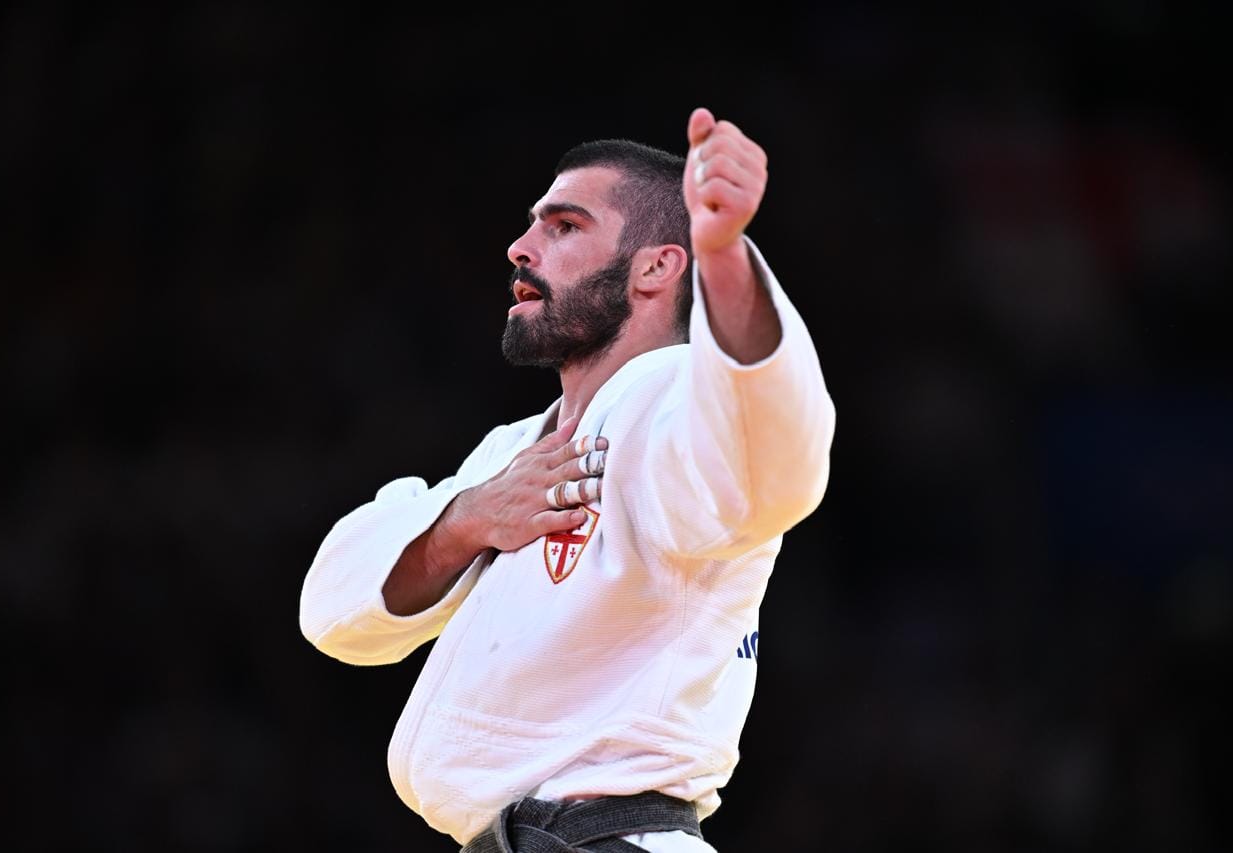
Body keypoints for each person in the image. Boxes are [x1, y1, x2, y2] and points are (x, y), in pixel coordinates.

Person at [300, 107, 835, 852]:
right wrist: (465, 522)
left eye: (564, 226)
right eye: (532, 225)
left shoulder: (669, 408)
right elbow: (332, 613)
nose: (520, 248)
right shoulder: (512, 454)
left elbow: (773, 461)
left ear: (656, 266)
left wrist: (725, 262)